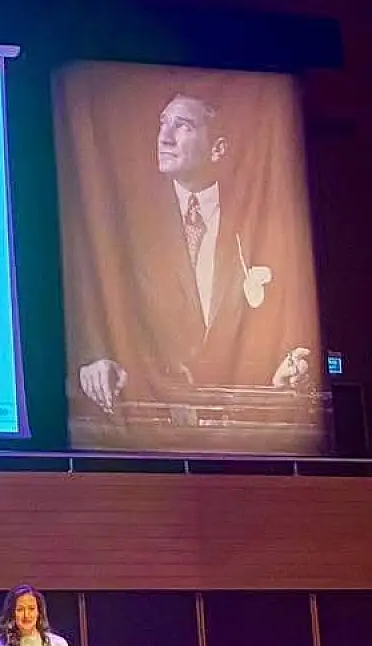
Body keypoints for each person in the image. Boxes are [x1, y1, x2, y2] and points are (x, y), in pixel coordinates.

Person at [76, 90, 313, 413]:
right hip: (152, 415)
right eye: (163, 123)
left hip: (242, 416)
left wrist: (286, 367)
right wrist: (95, 358)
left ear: (218, 149)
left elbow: (281, 319)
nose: (165, 138)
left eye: (183, 126)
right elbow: (97, 305)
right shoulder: (126, 222)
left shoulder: (260, 218)